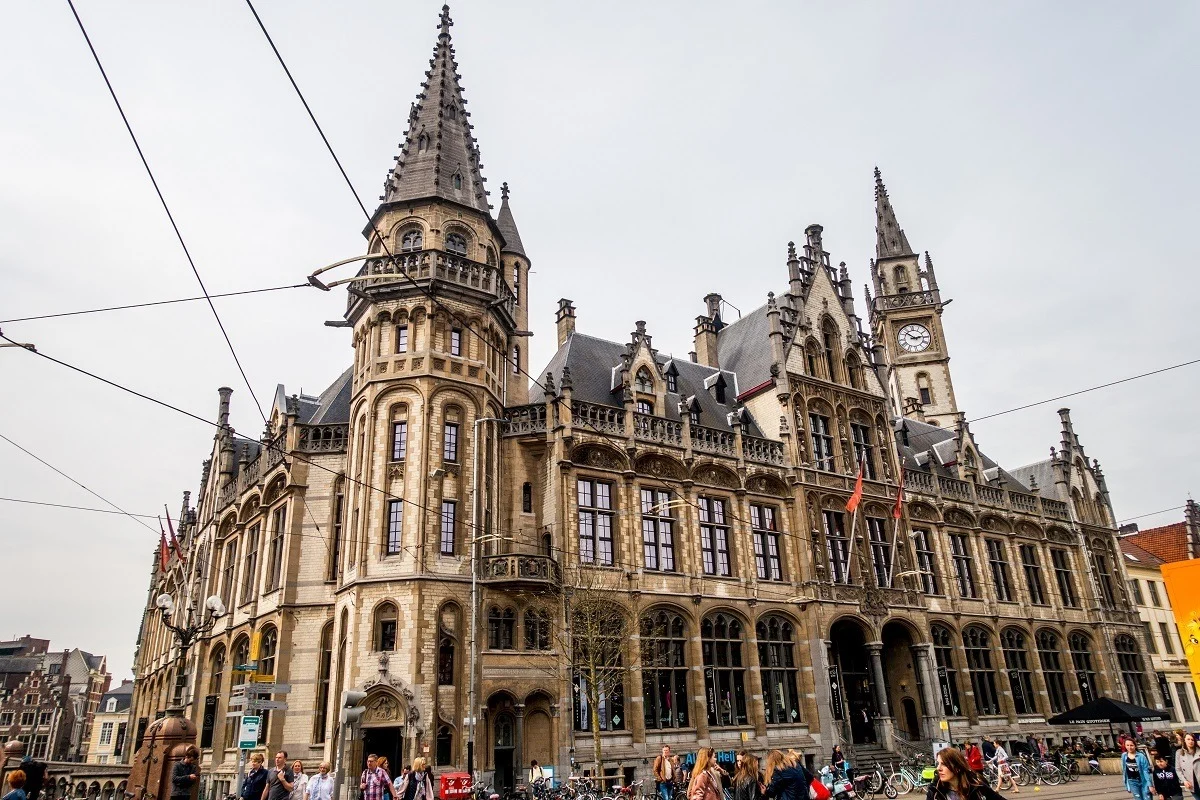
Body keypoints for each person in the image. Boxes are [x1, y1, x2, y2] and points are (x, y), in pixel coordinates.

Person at [924, 748, 1007, 800]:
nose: (938, 768)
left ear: (958, 767)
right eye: (938, 764)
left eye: (944, 764)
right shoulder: (935, 790)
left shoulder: (977, 786)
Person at [1177, 733, 1200, 799]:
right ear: (1184, 740)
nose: (1190, 741)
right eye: (1188, 739)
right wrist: (1184, 780)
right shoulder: (1179, 753)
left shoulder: (1198, 751)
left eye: (1192, 740)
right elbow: (1178, 769)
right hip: (1191, 784)